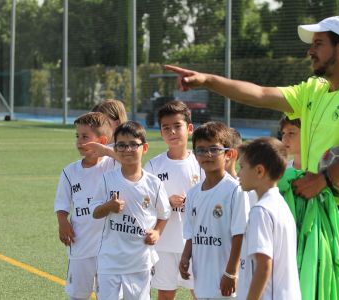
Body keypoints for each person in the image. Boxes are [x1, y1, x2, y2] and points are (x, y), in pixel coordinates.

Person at [166, 15, 339, 298]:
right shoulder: (314, 90)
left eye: (319, 43)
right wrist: (208, 80)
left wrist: (324, 179)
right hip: (312, 212)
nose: (310, 50)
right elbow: (259, 94)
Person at [90, 121, 171, 300]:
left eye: (133, 144)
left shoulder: (154, 183)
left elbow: (164, 213)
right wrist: (108, 207)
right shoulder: (107, 179)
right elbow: (95, 212)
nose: (127, 150)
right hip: (110, 261)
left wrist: (157, 232)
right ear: (115, 149)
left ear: (145, 147)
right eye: (122, 145)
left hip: (140, 262)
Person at [179, 121, 250, 299]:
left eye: (214, 149)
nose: (207, 154)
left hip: (225, 277)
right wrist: (185, 256)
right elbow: (192, 232)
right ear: (195, 155)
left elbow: (240, 234)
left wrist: (231, 273)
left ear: (229, 154)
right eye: (201, 150)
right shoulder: (193, 193)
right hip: (202, 274)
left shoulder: (235, 190)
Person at [143, 100, 204, 300]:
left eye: (177, 126)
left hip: (196, 243)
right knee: (166, 293)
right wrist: (165, 202)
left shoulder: (202, 162)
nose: (172, 132)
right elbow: (144, 202)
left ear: (190, 128)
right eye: (166, 128)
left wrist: (194, 201)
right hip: (165, 243)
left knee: (202, 293)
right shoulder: (154, 165)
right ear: (161, 132)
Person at [54, 112, 117, 300]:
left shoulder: (113, 163)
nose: (79, 141)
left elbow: (131, 161)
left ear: (102, 140)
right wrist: (62, 222)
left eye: (85, 137)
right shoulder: (70, 171)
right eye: (77, 136)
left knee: (109, 295)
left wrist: (105, 150)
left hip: (110, 247)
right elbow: (62, 203)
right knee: (78, 295)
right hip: (81, 244)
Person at [237, 137, 301, 300]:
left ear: (259, 171)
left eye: (242, 167)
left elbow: (264, 266)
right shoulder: (280, 204)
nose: (238, 173)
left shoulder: (261, 211)